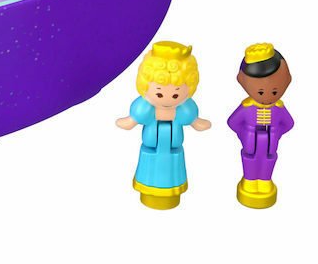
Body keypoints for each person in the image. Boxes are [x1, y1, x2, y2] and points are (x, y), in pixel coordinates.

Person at [116, 40, 211, 209]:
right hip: (150, 150)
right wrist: (130, 121)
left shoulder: (184, 108)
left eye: (175, 95)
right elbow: (135, 117)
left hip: (174, 152)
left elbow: (192, 118)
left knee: (173, 174)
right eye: (159, 94)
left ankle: (171, 194)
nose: (167, 100)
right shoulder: (145, 107)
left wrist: (197, 122)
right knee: (148, 172)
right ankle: (147, 192)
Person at [227, 43, 294, 209]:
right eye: (261, 92)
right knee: (249, 158)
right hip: (250, 143)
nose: (267, 97)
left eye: (274, 91)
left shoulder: (279, 108)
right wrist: (245, 134)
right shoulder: (247, 107)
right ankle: (249, 180)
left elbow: (289, 123)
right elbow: (233, 122)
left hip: (270, 143)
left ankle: (265, 180)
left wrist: (276, 133)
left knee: (269, 159)